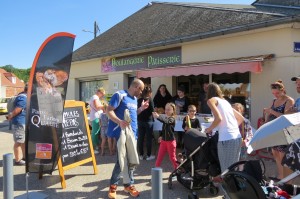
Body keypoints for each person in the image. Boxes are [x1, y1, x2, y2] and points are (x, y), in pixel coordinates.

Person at [107, 79, 149, 199]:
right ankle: (113, 186)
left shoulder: (135, 99)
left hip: (133, 134)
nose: (141, 93)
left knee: (130, 160)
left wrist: (141, 109)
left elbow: (133, 114)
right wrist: (119, 121)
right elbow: (108, 110)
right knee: (121, 160)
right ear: (135, 87)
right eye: (140, 90)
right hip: (121, 134)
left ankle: (128, 185)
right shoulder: (120, 95)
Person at [204, 83, 244, 181]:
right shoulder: (225, 102)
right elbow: (241, 118)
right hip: (236, 137)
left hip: (226, 139)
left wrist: (209, 129)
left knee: (226, 171)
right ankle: (234, 190)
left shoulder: (210, 100)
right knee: (233, 168)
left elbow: (218, 118)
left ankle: (229, 193)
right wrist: (231, 127)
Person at [263, 80, 294, 180]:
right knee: (276, 154)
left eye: (277, 93)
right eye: (273, 93)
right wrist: (265, 124)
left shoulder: (289, 100)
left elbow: (286, 117)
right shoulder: (274, 101)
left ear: (283, 90)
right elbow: (270, 115)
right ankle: (281, 176)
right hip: (274, 131)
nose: (275, 95)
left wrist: (271, 111)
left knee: (283, 156)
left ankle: (286, 178)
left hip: (284, 132)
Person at [152, 102, 178, 170]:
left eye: (169, 109)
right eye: (166, 109)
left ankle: (177, 171)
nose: (167, 111)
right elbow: (164, 128)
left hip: (171, 142)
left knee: (172, 158)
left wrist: (158, 117)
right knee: (159, 157)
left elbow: (166, 121)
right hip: (163, 141)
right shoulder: (165, 118)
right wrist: (161, 136)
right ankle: (155, 172)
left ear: (173, 111)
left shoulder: (172, 119)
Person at [6, 84, 27, 165]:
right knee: (18, 141)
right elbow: (17, 110)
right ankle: (18, 160)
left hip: (23, 122)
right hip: (20, 123)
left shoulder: (24, 97)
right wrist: (10, 116)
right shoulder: (23, 98)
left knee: (23, 141)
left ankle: (24, 157)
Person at [137, 86, 155, 161]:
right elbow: (152, 111)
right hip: (148, 121)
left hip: (140, 121)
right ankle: (148, 155)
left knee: (140, 138)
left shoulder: (139, 100)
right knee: (148, 139)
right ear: (150, 92)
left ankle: (140, 155)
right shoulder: (150, 100)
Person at [89, 87, 106, 154]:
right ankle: (93, 147)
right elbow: (96, 106)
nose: (103, 96)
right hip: (95, 117)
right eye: (102, 94)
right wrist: (104, 106)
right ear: (99, 92)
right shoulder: (95, 97)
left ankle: (95, 146)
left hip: (96, 116)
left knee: (96, 132)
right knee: (95, 132)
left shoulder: (95, 97)